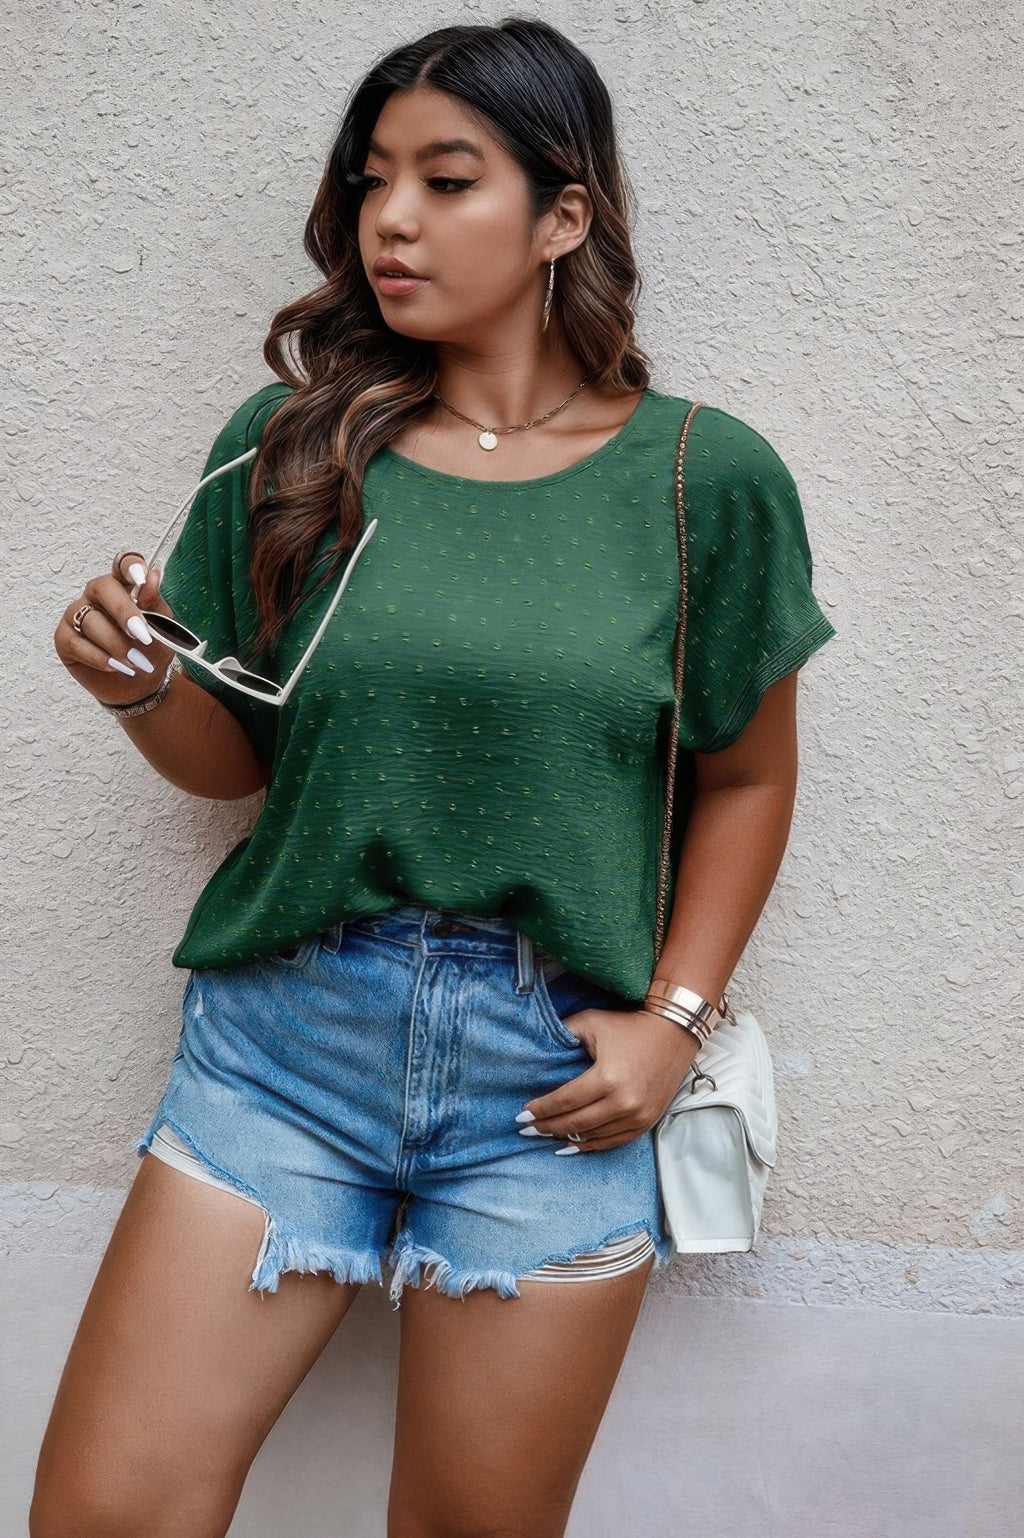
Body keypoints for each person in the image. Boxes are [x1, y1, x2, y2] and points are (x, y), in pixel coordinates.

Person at [36, 17, 837, 1538]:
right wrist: (137, 686)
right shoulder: (292, 445)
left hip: (551, 1084)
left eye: (447, 180)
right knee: (108, 1517)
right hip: (284, 1050)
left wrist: (674, 1026)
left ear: (563, 215)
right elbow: (235, 760)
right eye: (372, 181)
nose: (389, 220)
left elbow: (746, 779)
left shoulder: (702, 477)